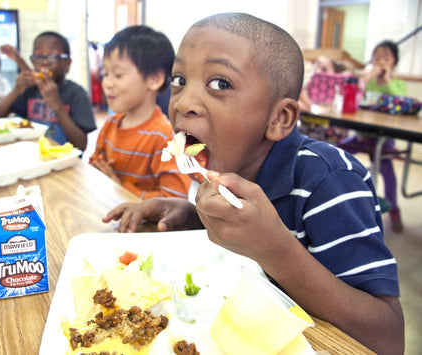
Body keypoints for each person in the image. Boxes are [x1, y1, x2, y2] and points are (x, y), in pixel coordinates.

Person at [102, 13, 404, 354]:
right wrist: (190, 215)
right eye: (179, 79)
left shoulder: (329, 182)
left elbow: (389, 337)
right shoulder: (230, 164)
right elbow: (243, 250)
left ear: (279, 118)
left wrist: (274, 249)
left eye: (220, 84)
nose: (183, 103)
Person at [89, 25, 190, 200]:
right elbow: (94, 167)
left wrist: (119, 186)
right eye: (106, 74)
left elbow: (174, 200)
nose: (107, 83)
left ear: (154, 79)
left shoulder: (164, 138)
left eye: (118, 75)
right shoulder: (110, 124)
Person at [338, 40, 406, 233]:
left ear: (394, 62)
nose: (381, 62)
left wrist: (388, 80)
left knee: (386, 168)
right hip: (362, 136)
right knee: (338, 150)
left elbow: (399, 101)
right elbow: (356, 98)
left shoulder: (397, 84)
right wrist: (367, 78)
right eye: (377, 58)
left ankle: (393, 208)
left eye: (386, 58)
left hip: (383, 138)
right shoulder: (369, 82)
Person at [0, 32, 96, 150]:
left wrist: (57, 106)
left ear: (67, 63)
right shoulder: (29, 90)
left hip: (63, 161)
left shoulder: (76, 94)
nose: (45, 62)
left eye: (53, 56)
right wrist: (16, 90)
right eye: (39, 57)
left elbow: (81, 145)